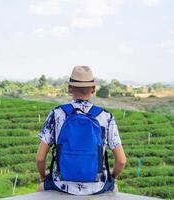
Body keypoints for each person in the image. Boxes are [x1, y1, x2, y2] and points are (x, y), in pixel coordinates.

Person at [36, 66, 126, 195]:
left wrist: (43, 178)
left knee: (40, 190)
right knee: (115, 190)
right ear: (93, 89)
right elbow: (121, 161)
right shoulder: (106, 116)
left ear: (69, 88)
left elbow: (40, 158)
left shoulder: (57, 113)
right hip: (97, 185)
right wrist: (113, 177)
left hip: (60, 183)